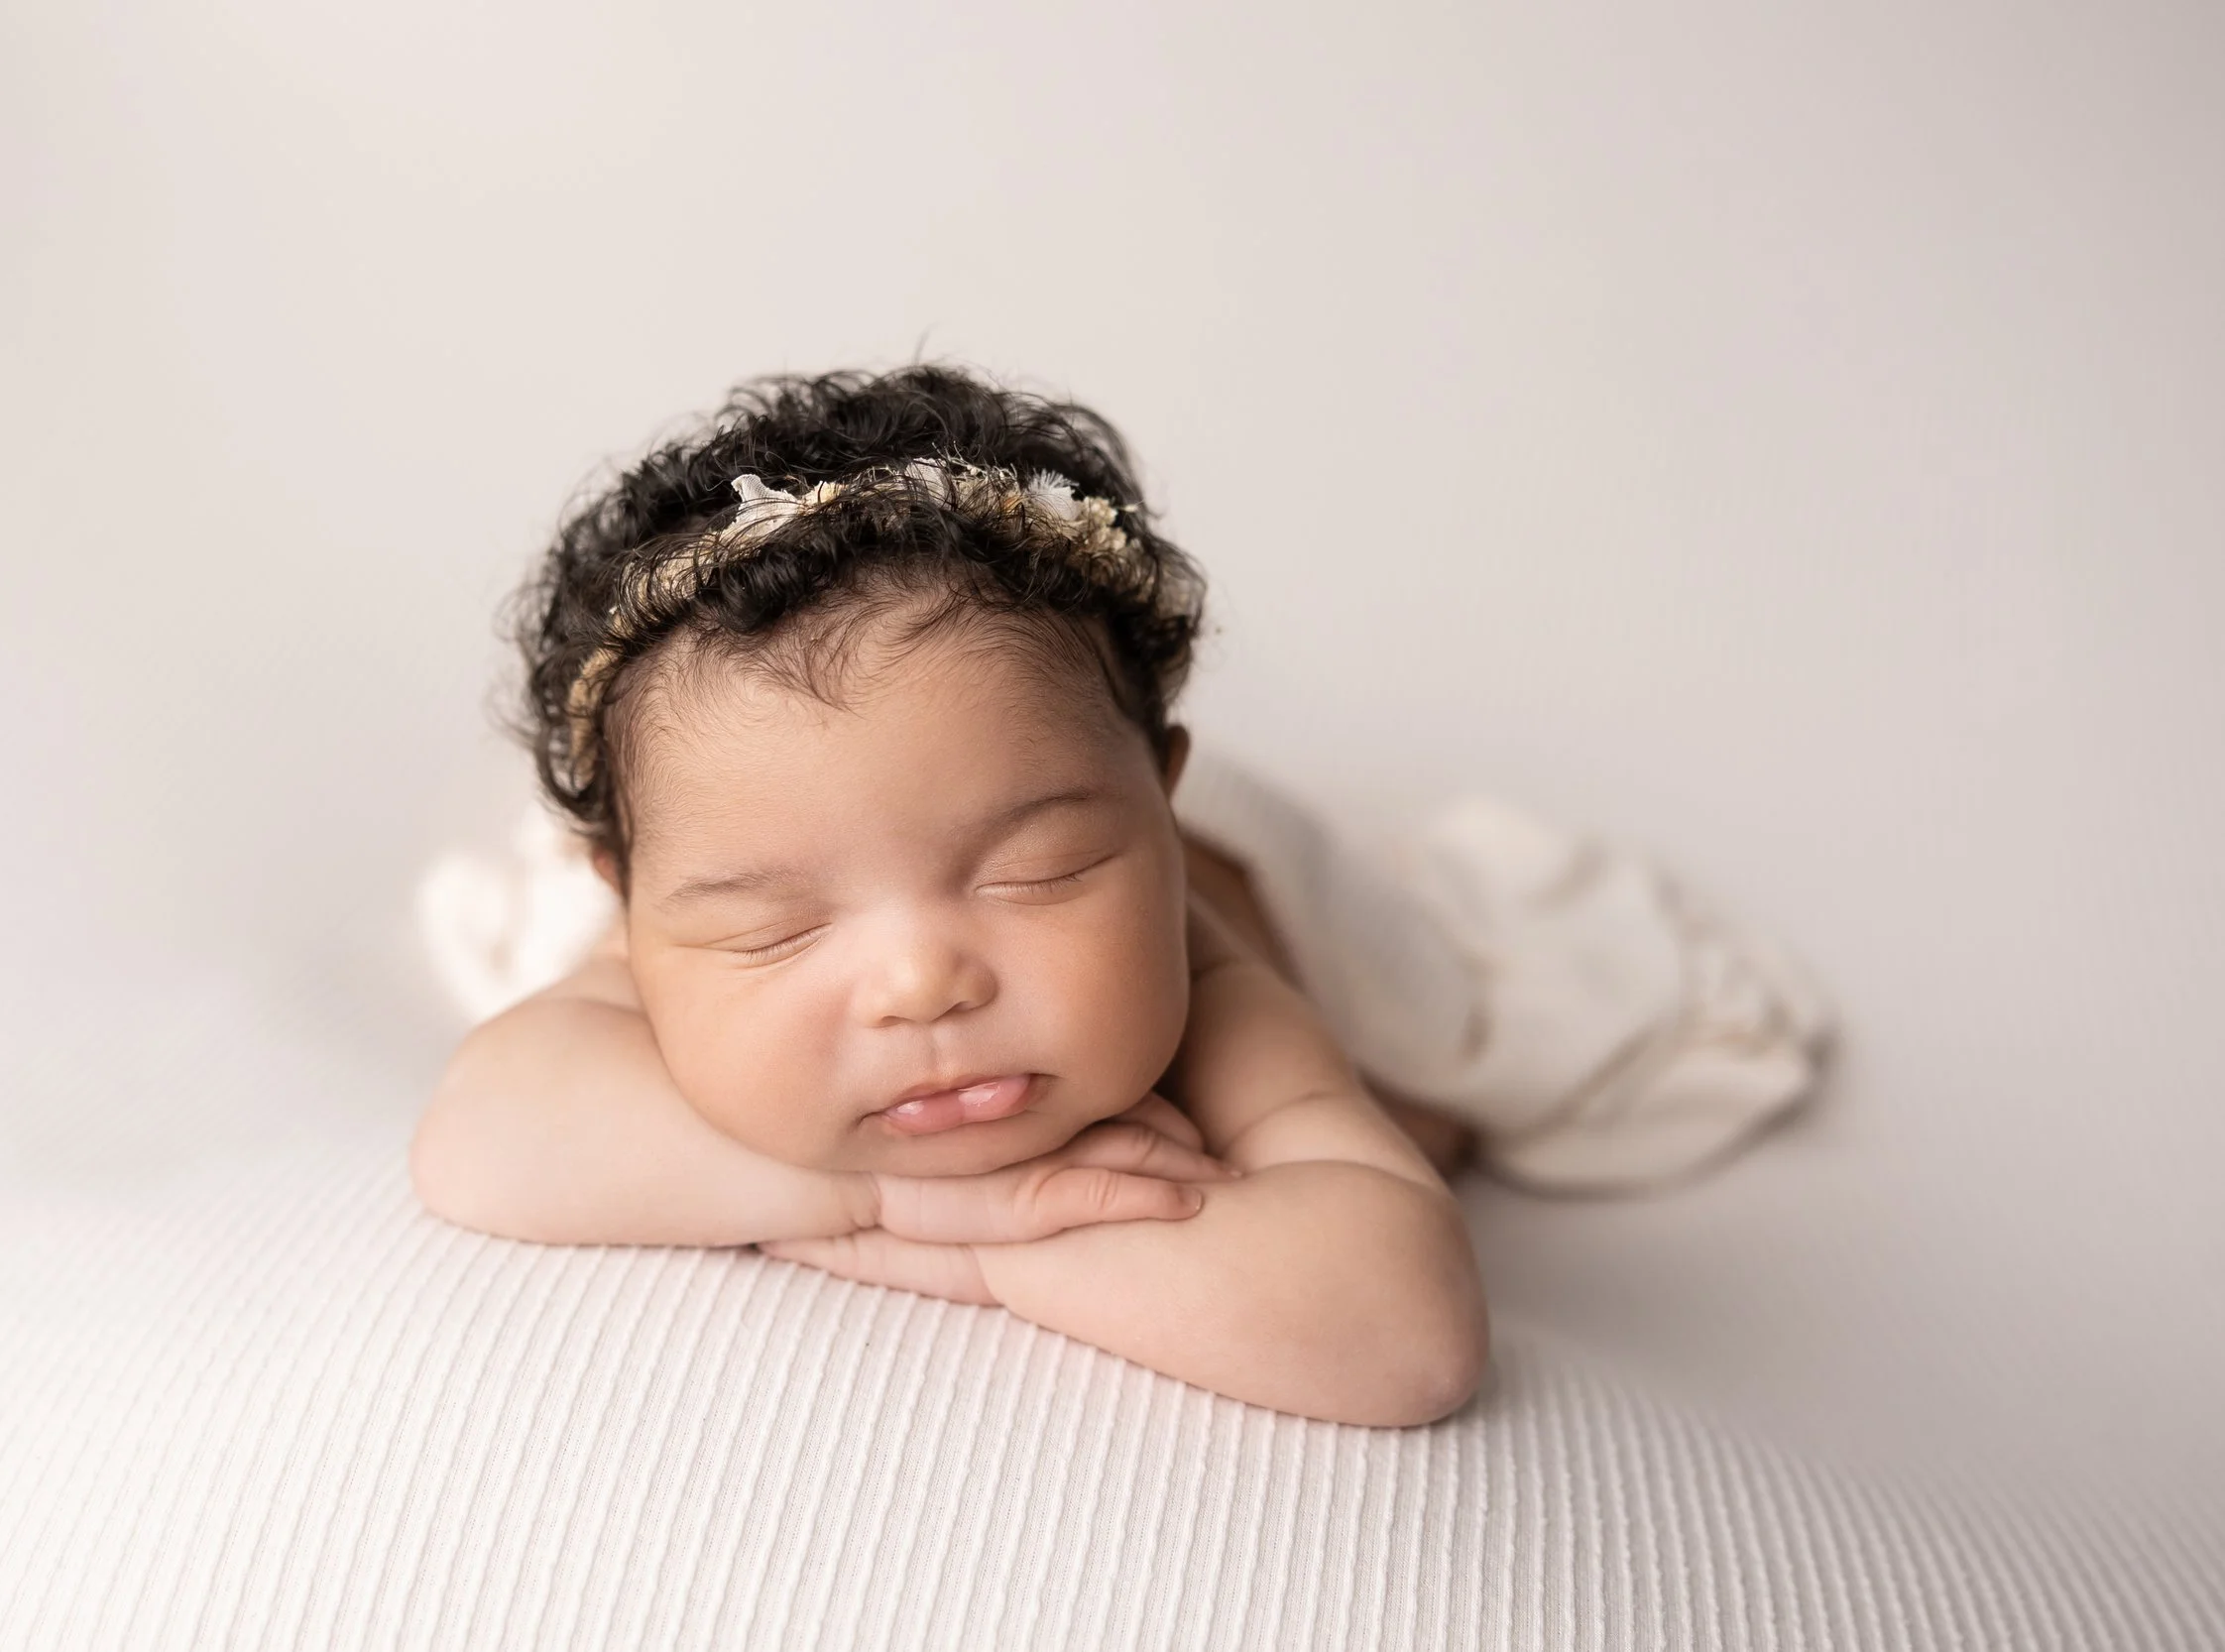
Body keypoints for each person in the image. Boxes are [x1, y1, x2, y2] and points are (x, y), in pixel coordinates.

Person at [410, 364, 1495, 1429]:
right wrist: (922, 1206)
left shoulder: (1210, 980)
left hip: (1244, 863)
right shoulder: (678, 903)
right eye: (772, 929)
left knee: (1430, 1066)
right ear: (633, 912)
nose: (918, 984)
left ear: (1157, 806)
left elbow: (1407, 1333)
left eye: (1038, 870)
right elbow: (480, 1136)